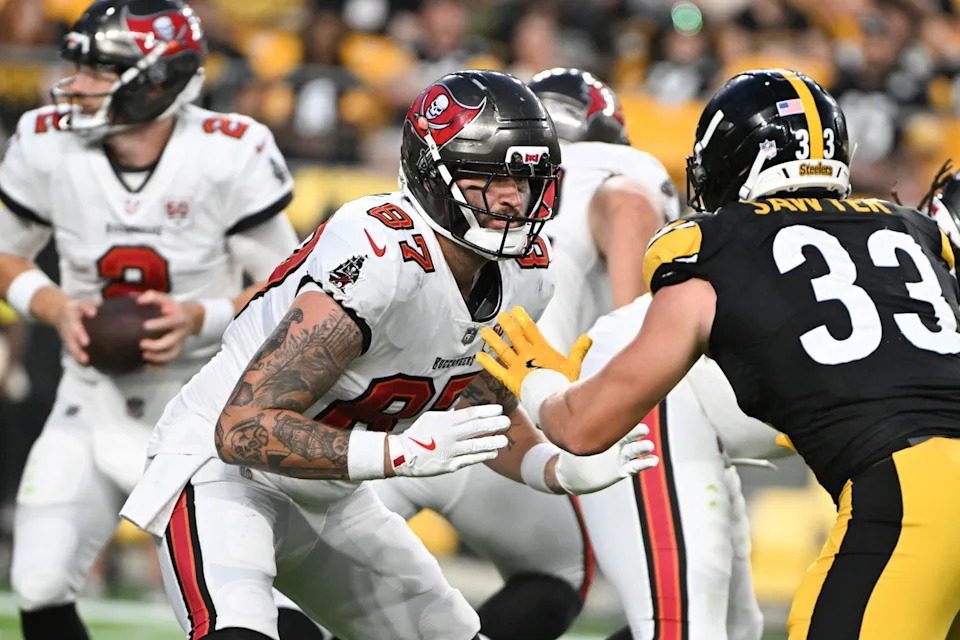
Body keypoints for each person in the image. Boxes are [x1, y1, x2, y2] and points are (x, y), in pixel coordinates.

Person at [120, 69, 657, 640]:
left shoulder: (528, 273)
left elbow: (482, 408)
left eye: (524, 180)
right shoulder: (380, 252)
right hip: (223, 477)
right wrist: (398, 454)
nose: (510, 198)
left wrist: (554, 468)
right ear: (431, 175)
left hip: (334, 494)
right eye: (487, 178)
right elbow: (242, 428)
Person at [478, 68, 960, 640]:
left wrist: (539, 381)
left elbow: (582, 430)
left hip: (909, 499)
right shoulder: (914, 233)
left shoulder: (714, 249)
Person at [0, 1, 303, 638]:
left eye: (99, 71)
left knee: (238, 599)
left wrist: (200, 316)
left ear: (156, 80)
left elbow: (291, 288)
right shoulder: (44, 139)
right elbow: (4, 254)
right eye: (77, 66)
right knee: (38, 581)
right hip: (89, 398)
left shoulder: (230, 152)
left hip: (202, 405)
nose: (75, 85)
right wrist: (56, 306)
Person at [369, 67, 682, 640]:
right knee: (613, 592)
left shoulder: (448, 190)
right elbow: (630, 228)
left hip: (401, 412)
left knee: (312, 585)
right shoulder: (620, 178)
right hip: (517, 417)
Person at [533, 68, 770, 640]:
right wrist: (639, 339)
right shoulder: (620, 174)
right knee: (686, 626)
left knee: (725, 625)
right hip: (602, 409)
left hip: (493, 398)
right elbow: (628, 214)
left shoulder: (520, 183)